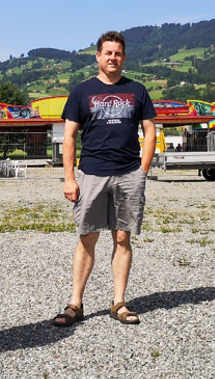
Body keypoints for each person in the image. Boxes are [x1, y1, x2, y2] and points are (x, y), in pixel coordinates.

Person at [53, 30, 156, 327]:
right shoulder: (81, 92)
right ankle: (75, 304)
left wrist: (142, 170)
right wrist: (69, 178)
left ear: (124, 57)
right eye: (107, 52)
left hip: (128, 173)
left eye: (118, 53)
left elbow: (150, 131)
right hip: (92, 173)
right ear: (98, 56)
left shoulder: (138, 90)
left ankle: (119, 302)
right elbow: (69, 137)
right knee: (87, 237)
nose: (113, 57)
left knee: (122, 237)